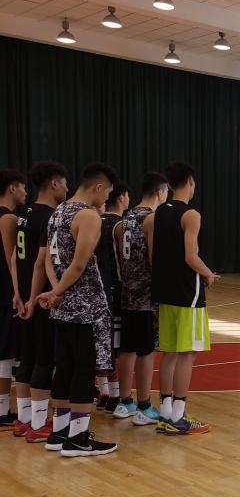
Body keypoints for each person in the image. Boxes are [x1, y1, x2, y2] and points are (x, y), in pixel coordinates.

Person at [36, 164, 119, 457]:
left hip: (62, 306)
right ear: (98, 187)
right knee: (84, 369)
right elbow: (80, 264)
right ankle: (79, 438)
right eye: (107, 193)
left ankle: (59, 433)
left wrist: (55, 291)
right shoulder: (88, 216)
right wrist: (57, 292)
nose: (107, 199)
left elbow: (48, 259)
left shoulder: (57, 212)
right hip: (85, 307)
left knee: (65, 367)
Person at [145, 161, 215, 434]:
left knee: (170, 353)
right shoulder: (191, 214)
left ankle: (165, 413)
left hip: (164, 292)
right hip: (188, 294)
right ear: (190, 182)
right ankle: (178, 417)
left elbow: (154, 254)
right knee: (188, 353)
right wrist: (208, 274)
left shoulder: (158, 213)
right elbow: (190, 256)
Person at [11, 163, 68, 444]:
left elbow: (13, 256)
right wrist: (34, 299)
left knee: (27, 357)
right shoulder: (49, 216)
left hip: (23, 297)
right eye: (65, 183)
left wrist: (18, 294)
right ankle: (38, 423)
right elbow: (39, 264)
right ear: (54, 184)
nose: (67, 189)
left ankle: (24, 419)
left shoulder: (24, 213)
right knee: (43, 359)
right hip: (39, 299)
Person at [113, 172, 168, 425]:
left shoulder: (124, 219)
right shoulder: (152, 218)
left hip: (126, 293)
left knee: (127, 349)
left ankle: (124, 401)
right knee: (146, 351)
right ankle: (144, 405)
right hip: (146, 295)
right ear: (160, 192)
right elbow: (155, 259)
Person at [95, 182, 129, 413]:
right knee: (116, 347)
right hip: (114, 290)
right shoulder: (119, 224)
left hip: (96, 289)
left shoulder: (95, 221)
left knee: (101, 344)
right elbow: (123, 263)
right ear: (122, 197)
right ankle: (116, 395)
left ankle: (103, 391)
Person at [0, 169, 27, 431]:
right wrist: (18, 293)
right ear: (11, 188)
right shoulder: (8, 218)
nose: (25, 192)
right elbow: (12, 261)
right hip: (5, 292)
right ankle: (1, 410)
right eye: (22, 187)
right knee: (5, 353)